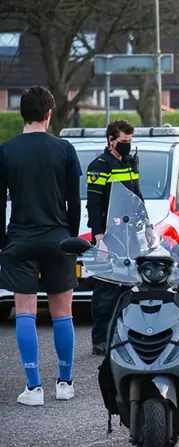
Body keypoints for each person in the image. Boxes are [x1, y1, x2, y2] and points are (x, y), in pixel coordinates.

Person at [0, 86, 82, 405]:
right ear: (49, 114)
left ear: (22, 113)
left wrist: (3, 240)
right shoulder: (64, 149)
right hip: (58, 239)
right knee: (63, 312)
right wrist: (71, 236)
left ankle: (34, 388)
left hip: (19, 240)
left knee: (25, 312)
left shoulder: (6, 152)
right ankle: (65, 382)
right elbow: (73, 201)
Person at [86, 119, 151, 355]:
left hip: (130, 235)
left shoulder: (130, 163)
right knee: (106, 290)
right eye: (124, 142)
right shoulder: (99, 166)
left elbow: (137, 196)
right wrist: (98, 237)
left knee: (128, 288)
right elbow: (94, 205)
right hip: (110, 237)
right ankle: (101, 340)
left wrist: (149, 226)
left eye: (130, 142)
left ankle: (124, 335)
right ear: (111, 140)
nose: (127, 146)